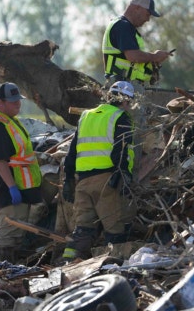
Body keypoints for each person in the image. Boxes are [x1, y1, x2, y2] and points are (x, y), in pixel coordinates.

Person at [61, 81, 138, 261]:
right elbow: (122, 150)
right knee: (115, 230)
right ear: (126, 100)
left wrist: (68, 178)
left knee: (82, 230)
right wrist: (124, 175)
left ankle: (67, 264)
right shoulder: (121, 117)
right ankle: (115, 268)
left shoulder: (86, 116)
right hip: (107, 182)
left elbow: (73, 150)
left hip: (83, 182)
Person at [0, 82, 43, 263]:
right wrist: (12, 187)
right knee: (8, 233)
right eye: (12, 101)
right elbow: (0, 161)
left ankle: (13, 272)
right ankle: (3, 271)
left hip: (19, 186)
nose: (18, 104)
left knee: (17, 233)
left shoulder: (9, 120)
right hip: (5, 188)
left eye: (18, 100)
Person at [102, 0, 173, 89]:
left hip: (122, 85)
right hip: (121, 88)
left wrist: (152, 60)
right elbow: (133, 56)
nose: (148, 19)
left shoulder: (123, 26)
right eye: (147, 14)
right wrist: (155, 57)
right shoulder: (123, 26)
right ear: (137, 8)